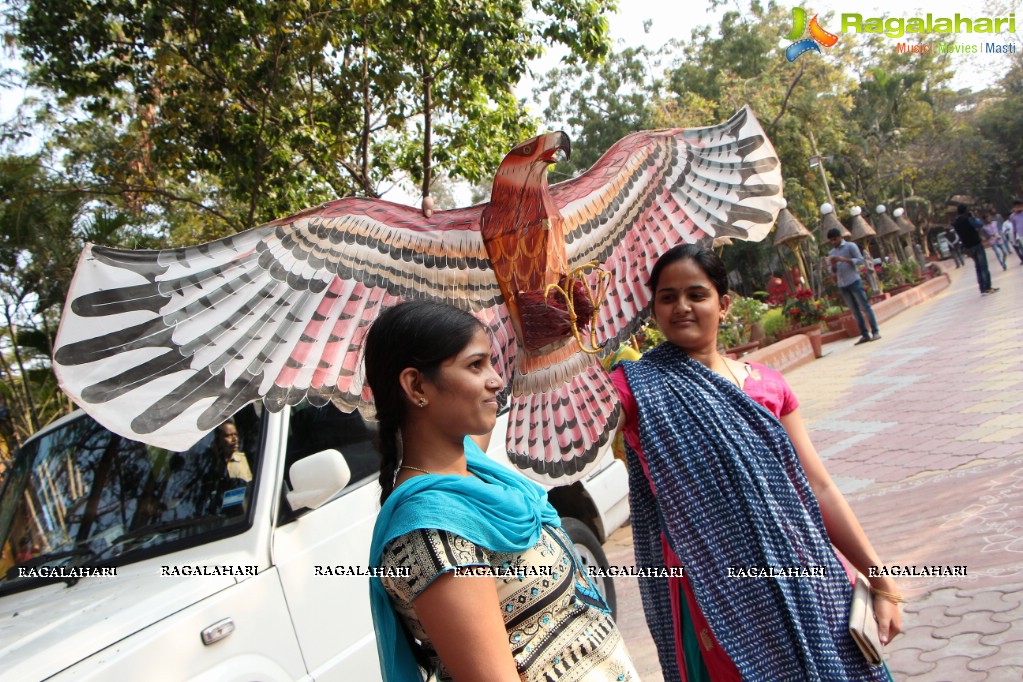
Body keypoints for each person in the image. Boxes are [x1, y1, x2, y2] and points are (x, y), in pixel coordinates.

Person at [611, 244, 902, 681]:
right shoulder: (635, 387)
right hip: (714, 587)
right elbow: (583, 415)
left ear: (723, 304)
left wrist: (882, 581)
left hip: (805, 571)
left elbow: (818, 487)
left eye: (696, 294)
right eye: (667, 298)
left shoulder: (767, 385)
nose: (682, 307)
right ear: (653, 310)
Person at [365, 300, 637, 682]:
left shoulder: (470, 470)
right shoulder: (431, 536)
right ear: (416, 385)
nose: (495, 379)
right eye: (476, 366)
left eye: (492, 362)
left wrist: (533, 328)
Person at [826, 228, 880, 345]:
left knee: (865, 307)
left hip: (854, 280)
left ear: (840, 237)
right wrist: (833, 265)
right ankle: (864, 334)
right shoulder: (831, 253)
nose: (834, 242)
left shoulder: (850, 246)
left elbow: (860, 260)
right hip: (842, 284)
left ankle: (875, 331)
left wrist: (844, 260)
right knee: (854, 311)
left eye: (835, 239)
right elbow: (832, 270)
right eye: (831, 241)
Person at [953, 204, 998, 295]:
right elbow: (979, 224)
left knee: (977, 267)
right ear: (965, 210)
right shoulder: (968, 219)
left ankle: (982, 288)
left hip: (968, 247)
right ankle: (987, 287)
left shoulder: (956, 223)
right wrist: (973, 217)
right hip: (976, 244)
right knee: (983, 267)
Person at [1007, 199, 1023, 264]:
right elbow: (1014, 228)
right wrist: (1014, 238)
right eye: (1017, 205)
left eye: (1020, 205)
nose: (1019, 207)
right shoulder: (1012, 216)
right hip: (1021, 235)